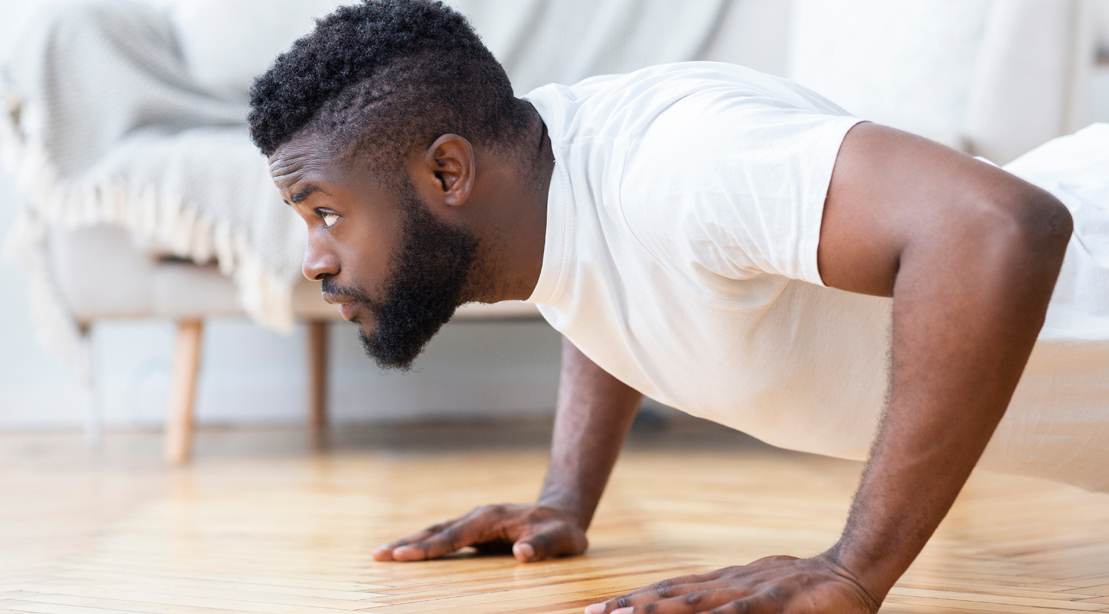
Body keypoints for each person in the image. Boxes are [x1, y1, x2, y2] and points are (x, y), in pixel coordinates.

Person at [248, 1, 1109, 612]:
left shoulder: (682, 162)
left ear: (446, 174)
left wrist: (854, 568)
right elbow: (601, 273)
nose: (314, 259)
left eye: (325, 210)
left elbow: (998, 229)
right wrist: (565, 497)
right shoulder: (545, 185)